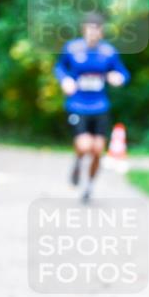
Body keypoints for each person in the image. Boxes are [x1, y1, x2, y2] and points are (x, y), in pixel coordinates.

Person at [54, 12, 130, 203]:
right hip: (78, 105)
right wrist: (66, 80)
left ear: (101, 32)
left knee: (98, 150)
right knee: (84, 145)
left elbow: (122, 72)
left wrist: (118, 78)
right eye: (89, 29)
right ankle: (78, 163)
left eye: (96, 30)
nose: (93, 33)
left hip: (100, 106)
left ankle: (89, 186)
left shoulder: (108, 52)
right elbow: (60, 68)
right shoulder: (72, 49)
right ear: (84, 30)